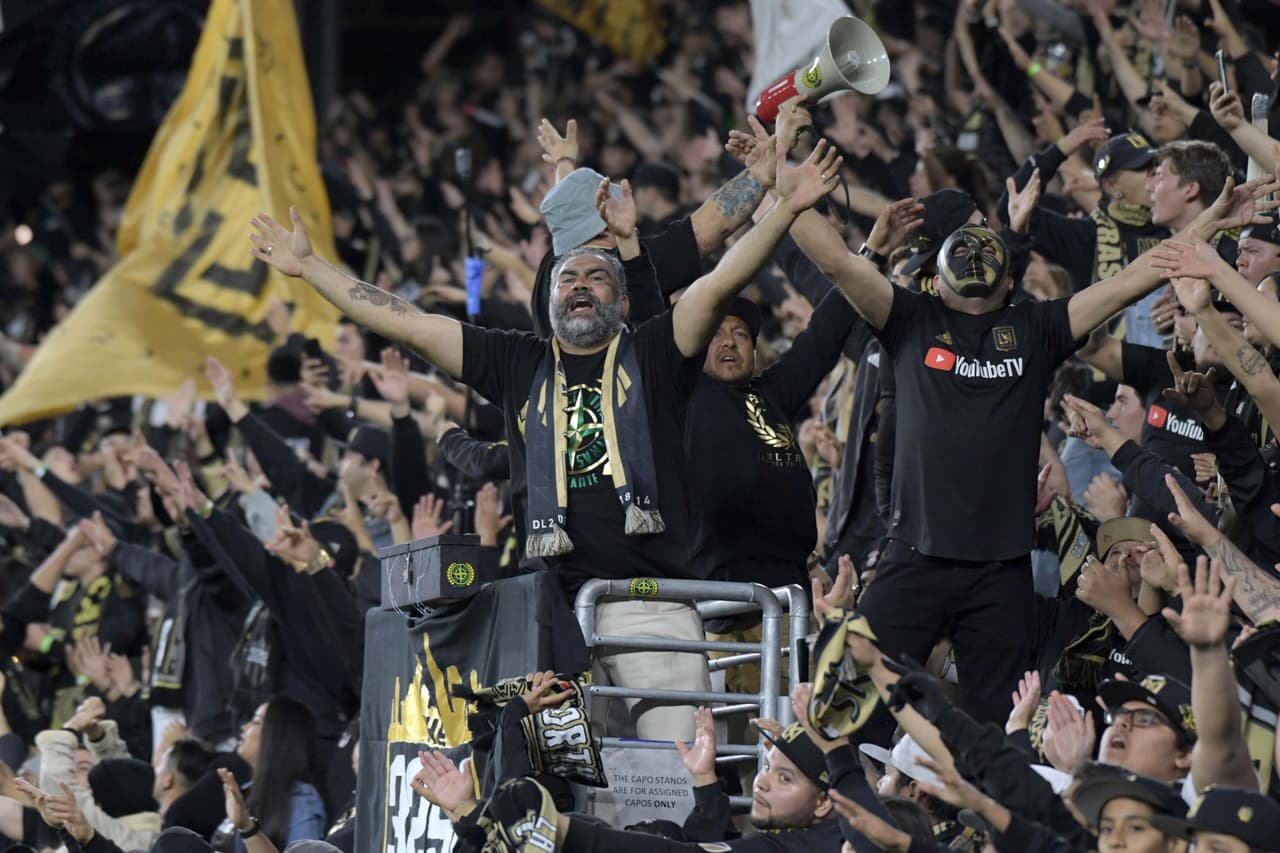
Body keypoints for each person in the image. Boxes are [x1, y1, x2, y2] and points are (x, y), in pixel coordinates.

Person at [248, 139, 841, 742]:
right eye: (567, 278)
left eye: (597, 277)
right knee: (574, 779)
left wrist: (785, 211)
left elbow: (719, 284)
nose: (580, 285)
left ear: (623, 299)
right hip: (550, 618)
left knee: (680, 767)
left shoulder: (655, 353)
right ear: (550, 297)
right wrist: (312, 269)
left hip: (653, 605)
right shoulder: (515, 361)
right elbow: (408, 323)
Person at [788, 171, 1273, 727]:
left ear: (1008, 283)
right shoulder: (910, 317)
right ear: (937, 283)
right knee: (845, 709)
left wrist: (1210, 221)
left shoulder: (1034, 327)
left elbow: (1135, 277)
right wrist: (786, 196)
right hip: (915, 557)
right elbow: (835, 263)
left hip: (1000, 575)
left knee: (999, 728)